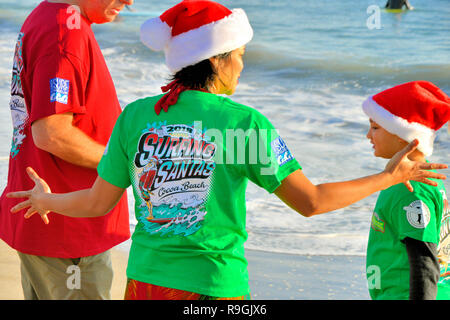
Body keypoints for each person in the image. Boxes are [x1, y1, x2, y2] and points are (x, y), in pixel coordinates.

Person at [7, 1, 448, 300]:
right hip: (215, 287)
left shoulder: (137, 117)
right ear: (216, 58)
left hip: (143, 282)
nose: (243, 63)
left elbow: (96, 202)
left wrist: (47, 201)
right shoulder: (244, 124)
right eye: (238, 53)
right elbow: (311, 202)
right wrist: (389, 177)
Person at [0, 0, 133, 300]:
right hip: (66, 223)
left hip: (55, 216)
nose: (129, 1)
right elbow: (51, 134)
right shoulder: (64, 32)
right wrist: (124, 165)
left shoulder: (52, 16)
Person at [363, 81, 450, 300]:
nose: (368, 136)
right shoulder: (402, 179)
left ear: (403, 137)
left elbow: (425, 261)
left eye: (375, 127)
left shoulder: (412, 189)